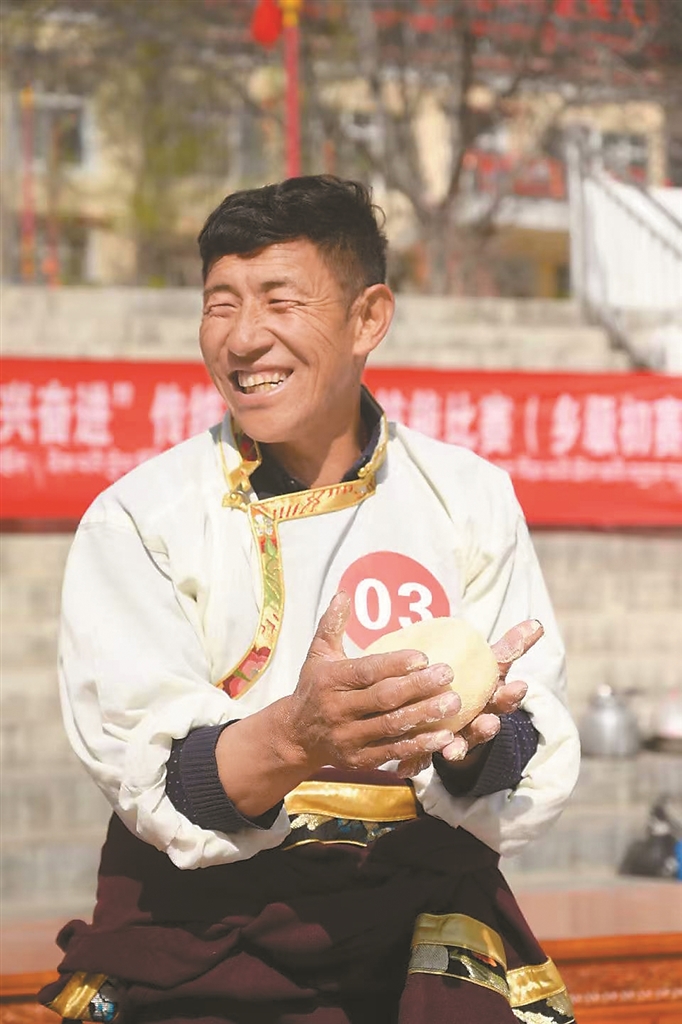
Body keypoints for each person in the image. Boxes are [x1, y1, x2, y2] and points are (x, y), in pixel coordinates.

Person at [39, 176, 580, 1024]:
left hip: (422, 911)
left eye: (280, 301)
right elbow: (155, 776)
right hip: (212, 927)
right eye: (220, 304)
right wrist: (299, 734)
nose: (243, 337)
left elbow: (524, 733)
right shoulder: (140, 518)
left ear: (369, 319)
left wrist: (467, 743)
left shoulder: (468, 495)